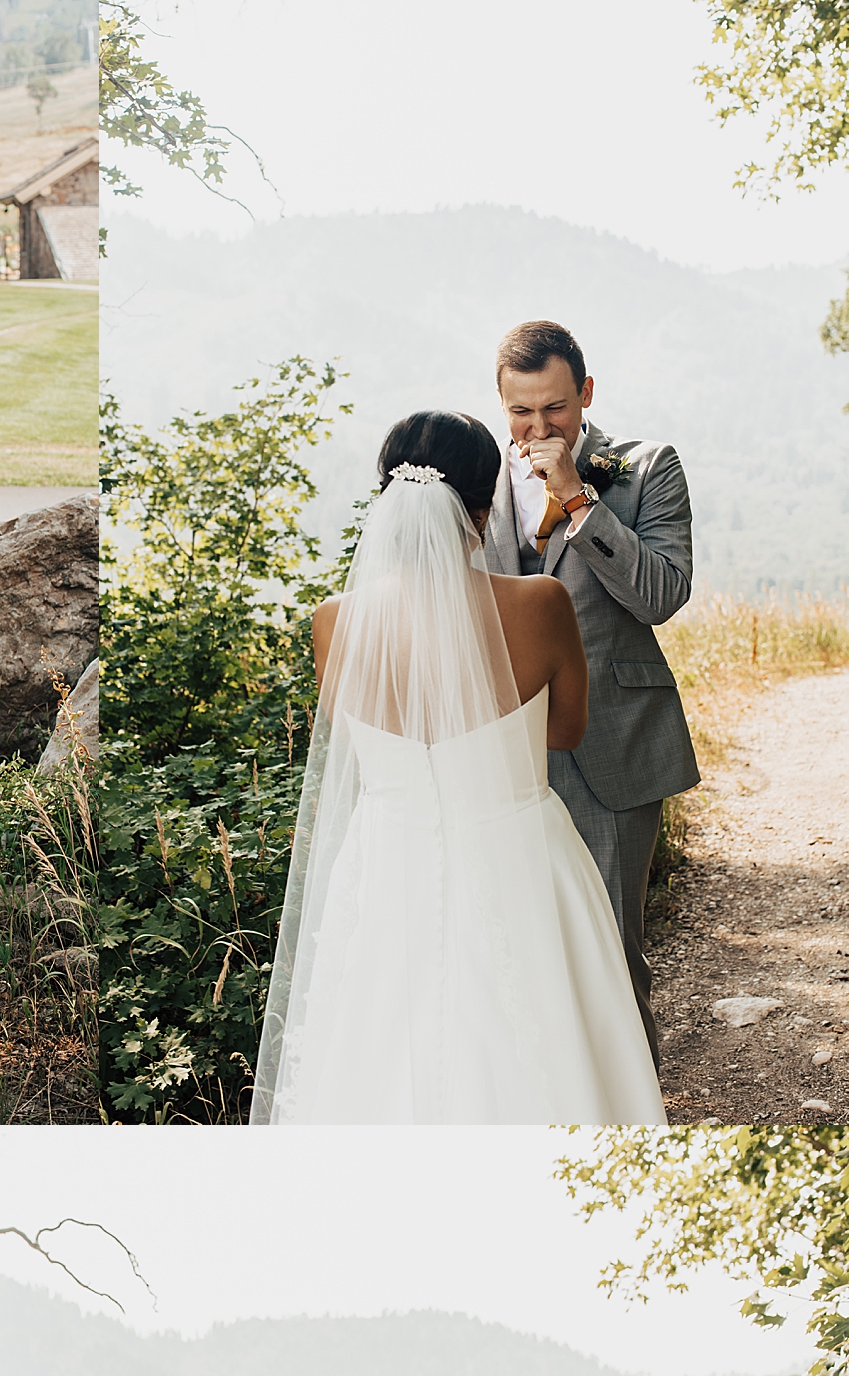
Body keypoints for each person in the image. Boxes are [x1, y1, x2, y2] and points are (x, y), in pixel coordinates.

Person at [250, 410, 669, 1124]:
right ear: (481, 512)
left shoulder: (333, 621)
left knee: (375, 1060)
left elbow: (354, 747)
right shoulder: (541, 602)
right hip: (521, 860)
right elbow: (567, 730)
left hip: (387, 864)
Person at [485, 319, 698, 1065]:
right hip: (503, 758)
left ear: (587, 393)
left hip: (614, 748)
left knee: (610, 953)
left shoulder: (646, 467)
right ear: (501, 404)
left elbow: (662, 594)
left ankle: (628, 1116)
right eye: (521, 411)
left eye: (556, 408)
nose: (539, 427)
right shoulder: (479, 480)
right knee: (517, 955)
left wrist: (581, 503)